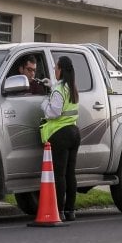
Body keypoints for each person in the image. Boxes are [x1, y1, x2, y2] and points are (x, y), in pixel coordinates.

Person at [40, 56, 80, 222]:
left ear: (61, 69)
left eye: (56, 68)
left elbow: (54, 112)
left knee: (60, 175)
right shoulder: (71, 87)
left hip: (60, 134)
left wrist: (44, 104)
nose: (54, 70)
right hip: (74, 132)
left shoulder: (58, 90)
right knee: (70, 174)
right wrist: (52, 86)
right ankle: (70, 210)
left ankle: (60, 210)